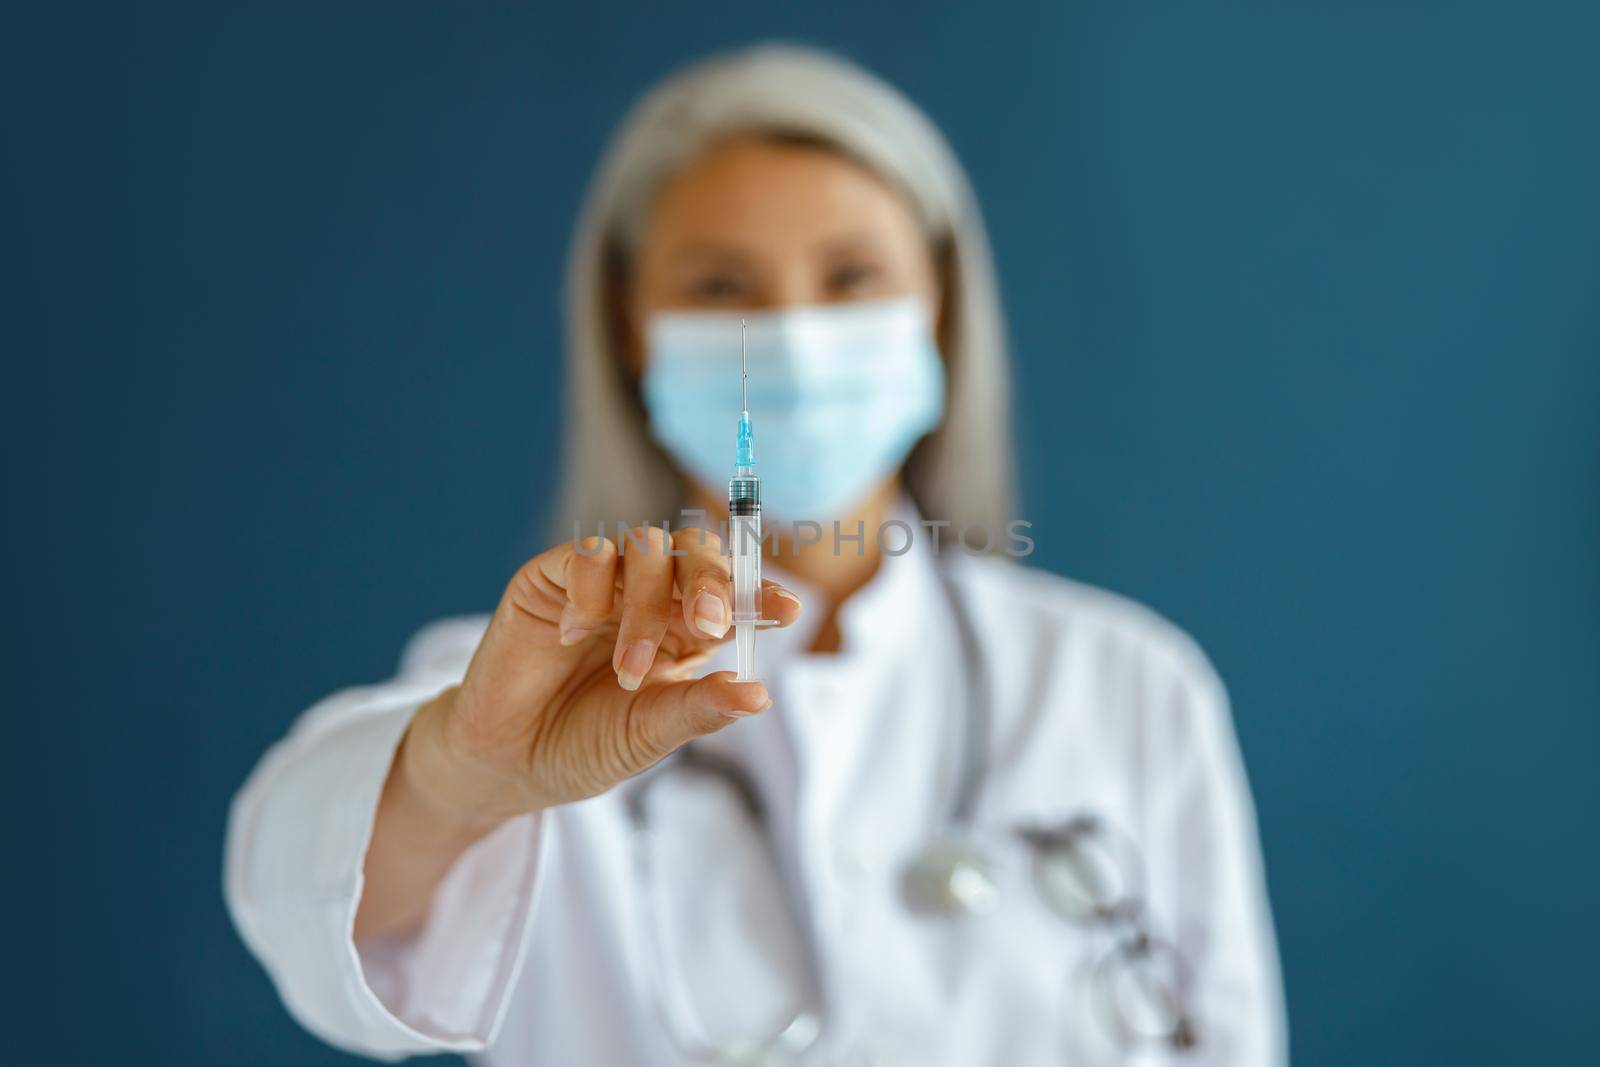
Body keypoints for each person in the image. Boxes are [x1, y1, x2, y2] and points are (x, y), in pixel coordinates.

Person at [225, 44, 1285, 1066]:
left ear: (940, 314)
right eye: (722, 288)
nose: (792, 336)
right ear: (631, 328)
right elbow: (314, 909)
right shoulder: (524, 678)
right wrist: (461, 774)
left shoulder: (1126, 683)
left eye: (852, 275)